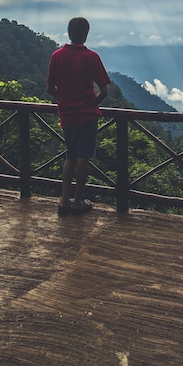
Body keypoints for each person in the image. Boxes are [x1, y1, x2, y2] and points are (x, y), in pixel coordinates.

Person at [46, 17, 110, 217]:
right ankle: (78, 202)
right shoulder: (92, 57)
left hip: (67, 115)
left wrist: (64, 100)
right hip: (87, 115)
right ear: (86, 34)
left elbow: (49, 88)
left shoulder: (57, 56)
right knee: (83, 157)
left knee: (70, 156)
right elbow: (104, 90)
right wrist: (90, 103)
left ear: (68, 32)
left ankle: (64, 201)